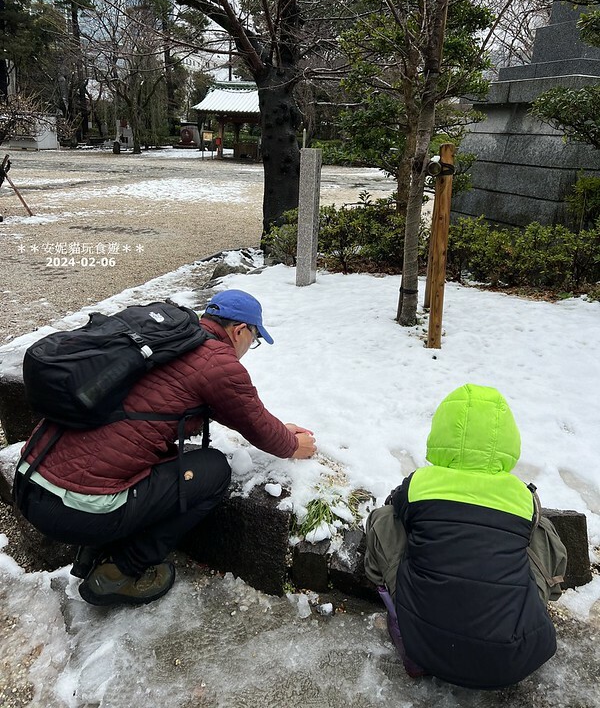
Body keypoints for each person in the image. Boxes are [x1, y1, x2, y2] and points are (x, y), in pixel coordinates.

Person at [16, 289, 316, 607]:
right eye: (253, 340)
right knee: (213, 470)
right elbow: (261, 430)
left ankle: (96, 547)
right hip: (77, 510)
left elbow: (229, 409)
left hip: (29, 477)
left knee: (153, 454)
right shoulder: (218, 362)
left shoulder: (164, 341)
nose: (248, 348)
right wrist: (294, 444)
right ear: (240, 330)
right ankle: (120, 571)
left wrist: (278, 428)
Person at [364, 383, 567, 690]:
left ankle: (400, 620)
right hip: (514, 658)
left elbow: (395, 510)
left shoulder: (420, 484)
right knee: (539, 531)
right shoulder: (521, 497)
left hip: (425, 646)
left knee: (384, 519)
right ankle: (527, 610)